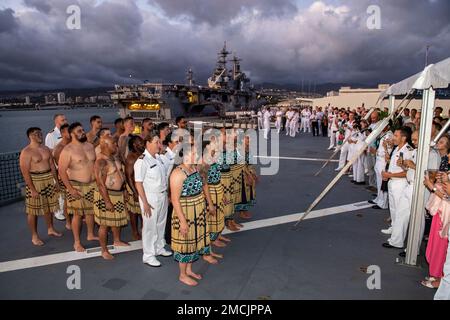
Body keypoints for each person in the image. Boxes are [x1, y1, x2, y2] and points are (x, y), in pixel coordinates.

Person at [170, 142, 213, 286]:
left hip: (197, 210)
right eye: (194, 153)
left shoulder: (194, 168)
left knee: (193, 242)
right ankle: (182, 274)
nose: (197, 155)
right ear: (186, 155)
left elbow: (203, 184)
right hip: (185, 212)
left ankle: (188, 269)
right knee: (185, 244)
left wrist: (207, 204)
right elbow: (175, 200)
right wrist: (182, 221)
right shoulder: (177, 174)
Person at [134, 132, 172, 267]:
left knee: (161, 223)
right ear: (148, 143)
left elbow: (172, 160)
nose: (159, 145)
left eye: (160, 142)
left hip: (161, 195)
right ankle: (148, 255)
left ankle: (159, 248)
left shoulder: (159, 158)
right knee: (150, 227)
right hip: (150, 197)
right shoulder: (142, 161)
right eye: (156, 142)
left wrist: (166, 194)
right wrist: (145, 203)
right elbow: (138, 183)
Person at [58, 122, 98, 252]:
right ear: (72, 134)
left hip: (93, 184)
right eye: (79, 131)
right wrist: (70, 189)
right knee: (77, 215)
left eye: (83, 130)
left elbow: (95, 165)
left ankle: (91, 234)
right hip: (76, 186)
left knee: (91, 212)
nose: (83, 132)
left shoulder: (90, 146)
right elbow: (62, 171)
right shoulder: (67, 150)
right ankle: (77, 242)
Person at [19, 127, 62, 246]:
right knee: (33, 211)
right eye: (36, 133)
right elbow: (25, 172)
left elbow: (52, 166)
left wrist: (56, 182)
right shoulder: (26, 152)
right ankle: (34, 236)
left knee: (48, 207)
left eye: (40, 133)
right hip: (35, 181)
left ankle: (50, 229)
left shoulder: (46, 149)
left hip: (48, 179)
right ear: (30, 136)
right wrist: (32, 189)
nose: (40, 135)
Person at [93, 136, 129, 260]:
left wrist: (124, 190)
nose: (116, 145)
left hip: (118, 194)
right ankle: (104, 250)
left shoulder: (113, 157)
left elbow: (120, 174)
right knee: (104, 224)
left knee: (116, 220)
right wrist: (107, 201)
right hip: (106, 195)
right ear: (106, 145)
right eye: (114, 143)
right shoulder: (100, 162)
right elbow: (100, 183)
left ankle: (117, 240)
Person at [381, 127, 414, 247]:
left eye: (396, 135)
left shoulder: (408, 151)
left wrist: (390, 174)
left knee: (400, 212)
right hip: (392, 181)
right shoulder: (397, 148)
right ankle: (394, 228)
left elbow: (408, 172)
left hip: (400, 183)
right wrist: (387, 173)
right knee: (393, 208)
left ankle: (397, 237)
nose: (393, 138)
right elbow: (394, 164)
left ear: (404, 137)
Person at [45, 113, 67, 221]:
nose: (65, 121)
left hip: (67, 167)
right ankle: (58, 212)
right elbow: (50, 154)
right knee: (59, 191)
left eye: (65, 119)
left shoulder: (68, 133)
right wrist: (54, 171)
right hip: (57, 167)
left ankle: (67, 210)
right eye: (63, 120)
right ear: (56, 122)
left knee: (66, 189)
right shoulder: (51, 135)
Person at [125, 135, 145, 240]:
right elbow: (128, 177)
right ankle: (134, 231)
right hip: (133, 187)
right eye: (140, 142)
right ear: (134, 145)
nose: (142, 144)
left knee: (142, 211)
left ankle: (143, 228)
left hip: (142, 186)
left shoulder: (142, 154)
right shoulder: (131, 157)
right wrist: (135, 192)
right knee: (134, 212)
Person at [53, 123, 72, 230]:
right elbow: (59, 168)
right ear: (63, 133)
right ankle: (68, 222)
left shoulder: (72, 144)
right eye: (69, 131)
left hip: (75, 177)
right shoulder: (59, 148)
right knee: (66, 201)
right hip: (65, 178)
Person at [370, 125, 393, 210]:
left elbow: (388, 149)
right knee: (379, 182)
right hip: (379, 159)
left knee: (382, 182)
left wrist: (377, 152)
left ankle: (383, 203)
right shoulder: (384, 134)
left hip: (383, 160)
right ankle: (379, 199)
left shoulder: (389, 135)